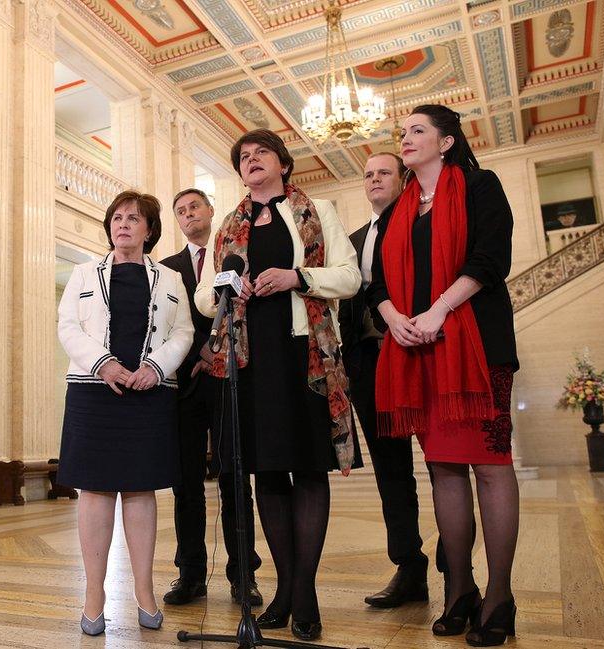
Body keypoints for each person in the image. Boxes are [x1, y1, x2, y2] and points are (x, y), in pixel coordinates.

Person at [195, 129, 362, 641]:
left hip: (304, 355)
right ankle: (285, 588)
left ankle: (304, 593)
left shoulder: (319, 210)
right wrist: (229, 286)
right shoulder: (227, 226)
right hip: (251, 362)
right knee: (267, 474)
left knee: (309, 471)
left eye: (260, 153)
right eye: (243, 157)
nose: (251, 161)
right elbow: (205, 299)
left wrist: (298, 278)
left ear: (283, 164)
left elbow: (350, 277)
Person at [367, 105, 520, 647]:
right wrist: (394, 318)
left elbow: (489, 258)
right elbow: (376, 283)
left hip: (475, 346)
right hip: (417, 351)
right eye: (402, 132)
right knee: (444, 471)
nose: (405, 139)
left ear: (446, 141)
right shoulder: (397, 210)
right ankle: (460, 590)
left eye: (417, 131)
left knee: (491, 467)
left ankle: (499, 596)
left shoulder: (481, 186)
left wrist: (438, 311)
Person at [56, 190, 194, 636]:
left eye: (134, 218)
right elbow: (68, 327)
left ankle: (144, 591)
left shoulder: (171, 279)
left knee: (140, 491)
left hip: (149, 393)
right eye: (117, 218)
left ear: (149, 229)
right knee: (94, 491)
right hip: (94, 393)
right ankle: (93, 594)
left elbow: (184, 331)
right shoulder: (82, 273)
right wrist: (104, 364)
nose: (124, 224)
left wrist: (156, 367)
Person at [160, 188, 262, 608]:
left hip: (229, 380)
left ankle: (243, 576)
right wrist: (198, 350)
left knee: (234, 477)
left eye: (194, 207)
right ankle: (190, 574)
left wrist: (217, 351)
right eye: (180, 211)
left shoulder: (234, 253)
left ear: (210, 211)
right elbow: (166, 324)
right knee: (185, 482)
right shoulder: (166, 269)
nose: (188, 215)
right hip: (185, 383)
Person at [338, 152, 430, 608]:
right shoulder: (355, 239)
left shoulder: (421, 221)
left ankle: (459, 570)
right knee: (391, 469)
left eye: (384, 173)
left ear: (403, 179)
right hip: (367, 362)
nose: (374, 180)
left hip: (421, 351)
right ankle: (409, 567)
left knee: (442, 463)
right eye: (367, 174)